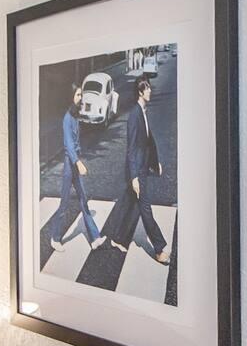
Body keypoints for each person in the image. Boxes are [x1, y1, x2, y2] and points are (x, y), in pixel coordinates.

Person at [104, 76, 170, 265]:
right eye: (147, 88)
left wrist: (155, 162)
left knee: (129, 204)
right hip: (137, 171)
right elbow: (132, 147)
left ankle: (117, 238)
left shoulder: (142, 111)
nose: (150, 90)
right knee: (145, 209)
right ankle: (159, 249)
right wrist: (133, 177)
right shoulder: (134, 115)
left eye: (149, 87)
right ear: (140, 92)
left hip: (142, 167)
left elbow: (148, 140)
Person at [47, 83, 104, 252]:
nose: (81, 98)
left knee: (83, 200)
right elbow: (69, 145)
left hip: (74, 161)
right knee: (64, 204)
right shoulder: (67, 118)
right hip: (69, 165)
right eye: (78, 95)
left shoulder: (75, 116)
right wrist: (78, 163)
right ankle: (55, 238)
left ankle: (95, 238)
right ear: (71, 97)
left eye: (81, 95)